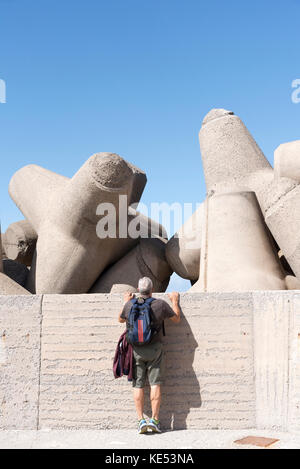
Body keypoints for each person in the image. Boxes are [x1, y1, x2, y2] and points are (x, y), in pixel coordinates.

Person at [118, 276, 181, 434]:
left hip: (136, 350)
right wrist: (174, 300)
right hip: (155, 350)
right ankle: (154, 420)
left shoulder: (130, 304)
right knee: (155, 384)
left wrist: (126, 301)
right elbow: (176, 318)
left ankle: (140, 420)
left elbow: (120, 319)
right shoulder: (159, 304)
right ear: (152, 290)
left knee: (138, 384)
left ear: (138, 290)